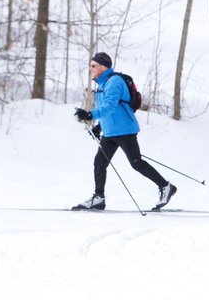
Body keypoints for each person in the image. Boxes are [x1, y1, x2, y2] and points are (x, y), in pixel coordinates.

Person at [72, 52, 177, 212]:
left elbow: (109, 106)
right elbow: (110, 110)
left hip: (125, 130)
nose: (90, 68)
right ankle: (98, 198)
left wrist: (89, 115)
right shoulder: (102, 84)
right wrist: (100, 126)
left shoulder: (114, 81)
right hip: (111, 132)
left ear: (103, 66)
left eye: (93, 66)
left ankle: (165, 186)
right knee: (99, 162)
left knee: (136, 163)